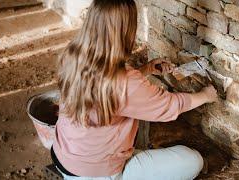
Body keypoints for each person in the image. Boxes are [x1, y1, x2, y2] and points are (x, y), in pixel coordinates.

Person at [51, 0, 218, 179]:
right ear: (126, 30)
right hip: (96, 173)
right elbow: (167, 105)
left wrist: (145, 70)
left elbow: (108, 89)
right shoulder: (126, 81)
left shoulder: (74, 54)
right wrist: (206, 96)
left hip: (62, 155)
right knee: (192, 160)